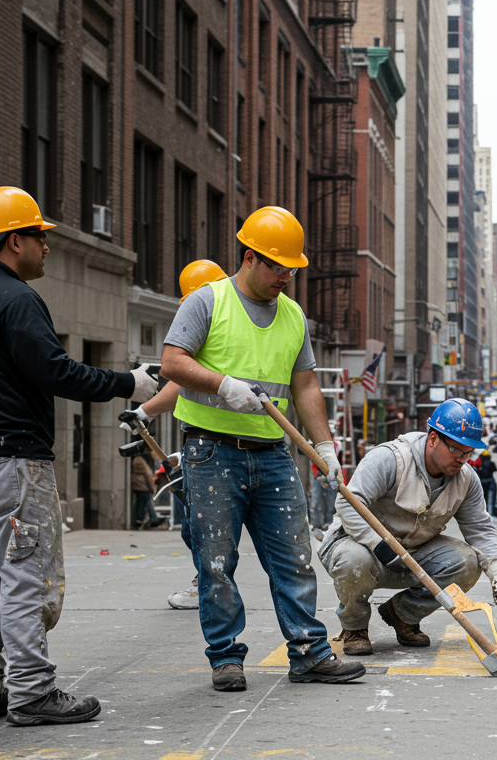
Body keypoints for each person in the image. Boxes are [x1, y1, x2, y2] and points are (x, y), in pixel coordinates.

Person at [0, 186, 160, 726]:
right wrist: (128, 383)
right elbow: (55, 371)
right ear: (14, 241)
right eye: (39, 236)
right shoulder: (17, 299)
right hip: (11, 462)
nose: (47, 246)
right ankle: (33, 692)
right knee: (26, 577)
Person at [162, 206, 365, 692]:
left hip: (274, 454)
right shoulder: (207, 301)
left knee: (294, 557)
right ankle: (225, 657)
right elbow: (172, 362)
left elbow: (306, 385)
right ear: (249, 257)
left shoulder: (293, 316)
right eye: (277, 266)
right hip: (212, 453)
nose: (285, 277)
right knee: (216, 563)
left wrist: (325, 446)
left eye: (292, 269)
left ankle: (309, 652)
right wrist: (223, 385)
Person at [320, 399, 497, 656]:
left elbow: (480, 530)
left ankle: (402, 615)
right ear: (433, 439)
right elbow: (348, 503)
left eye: (468, 453)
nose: (462, 459)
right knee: (354, 560)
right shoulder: (391, 459)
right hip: (361, 546)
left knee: (468, 563)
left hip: (412, 553)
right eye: (455, 450)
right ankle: (355, 627)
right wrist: (379, 545)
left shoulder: (466, 480)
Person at [120, 258, 229, 610]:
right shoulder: (216, 326)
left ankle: (210, 586)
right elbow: (182, 384)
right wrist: (145, 412)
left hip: (216, 447)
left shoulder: (218, 330)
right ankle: (211, 583)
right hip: (207, 444)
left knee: (200, 525)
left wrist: (145, 410)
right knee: (196, 525)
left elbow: (181, 382)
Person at [130, 452, 159, 529]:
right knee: (146, 502)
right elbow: (148, 474)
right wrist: (152, 487)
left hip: (139, 485)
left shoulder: (136, 459)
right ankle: (152, 519)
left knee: (141, 503)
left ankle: (142, 520)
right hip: (143, 486)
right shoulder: (139, 460)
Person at [476, 449, 497, 518]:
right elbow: (495, 470)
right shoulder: (491, 463)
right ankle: (491, 514)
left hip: (481, 483)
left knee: (480, 499)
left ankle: (481, 513)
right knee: (491, 500)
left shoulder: (479, 464)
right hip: (490, 482)